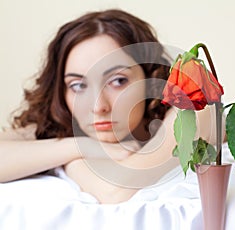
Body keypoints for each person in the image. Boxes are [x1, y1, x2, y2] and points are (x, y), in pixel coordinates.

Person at [0, 9, 217, 204]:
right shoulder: (62, 125)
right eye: (78, 85)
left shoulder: (193, 111)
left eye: (118, 81)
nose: (98, 107)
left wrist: (70, 162)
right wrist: (79, 147)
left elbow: (116, 189)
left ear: (150, 78)